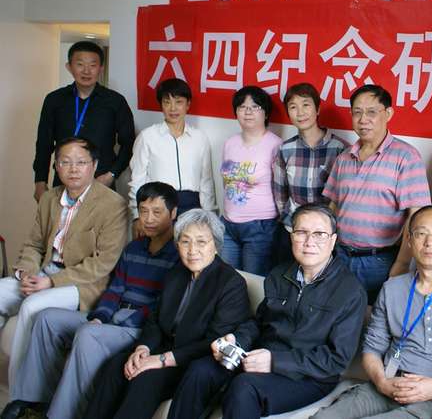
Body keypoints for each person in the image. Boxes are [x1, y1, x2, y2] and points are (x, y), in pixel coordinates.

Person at [167, 204, 367, 419]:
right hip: (259, 359)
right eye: (301, 232)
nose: (309, 242)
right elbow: (258, 323)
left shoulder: (350, 291)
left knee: (244, 387)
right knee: (200, 370)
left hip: (309, 377)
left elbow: (337, 359)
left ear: (333, 240)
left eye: (319, 234)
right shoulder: (279, 275)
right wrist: (236, 340)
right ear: (291, 236)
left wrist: (274, 361)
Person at [1, 182, 180, 419]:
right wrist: (100, 317)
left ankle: (58, 415)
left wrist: (115, 322)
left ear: (173, 213)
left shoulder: (179, 254)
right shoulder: (133, 249)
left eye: (157, 212)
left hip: (137, 327)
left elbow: (161, 306)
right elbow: (115, 289)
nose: (148, 219)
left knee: (88, 334)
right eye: (143, 211)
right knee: (46, 318)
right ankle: (33, 400)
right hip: (111, 318)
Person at [311, 205, 432, 419]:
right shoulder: (392, 288)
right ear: (409, 240)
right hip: (386, 386)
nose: (430, 242)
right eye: (421, 233)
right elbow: (372, 348)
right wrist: (382, 382)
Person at [83, 209, 251, 419]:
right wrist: (143, 348)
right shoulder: (176, 273)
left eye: (201, 242)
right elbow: (155, 318)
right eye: (185, 241)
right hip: (163, 350)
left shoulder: (231, 283)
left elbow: (214, 341)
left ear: (215, 246)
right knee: (116, 365)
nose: (192, 250)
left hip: (193, 362)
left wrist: (162, 360)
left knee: (145, 378)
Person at [0, 136, 128, 388]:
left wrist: (51, 282)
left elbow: (103, 264)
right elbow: (34, 245)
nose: (73, 169)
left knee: (32, 307)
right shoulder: (50, 199)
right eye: (65, 162)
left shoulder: (113, 205)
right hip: (43, 272)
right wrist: (27, 272)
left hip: (82, 283)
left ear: (94, 165)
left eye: (81, 162)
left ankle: (21, 395)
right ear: (56, 167)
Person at [323, 84, 431, 302]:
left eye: (372, 112)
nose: (363, 119)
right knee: (335, 317)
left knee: (371, 324)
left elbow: (416, 217)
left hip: (379, 261)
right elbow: (332, 207)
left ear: (388, 113)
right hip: (339, 256)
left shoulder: (406, 157)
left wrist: (400, 265)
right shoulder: (344, 157)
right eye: (357, 112)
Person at [33, 41, 134, 201]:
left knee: (101, 226)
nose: (86, 71)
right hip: (63, 180)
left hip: (101, 182)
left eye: (93, 65)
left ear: (101, 68)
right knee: (61, 225)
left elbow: (128, 143)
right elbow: (44, 143)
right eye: (80, 64)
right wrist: (40, 181)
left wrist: (111, 175)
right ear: (69, 67)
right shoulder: (54, 100)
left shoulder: (115, 102)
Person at [128, 78, 216, 238]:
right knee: (157, 255)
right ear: (161, 105)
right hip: (157, 206)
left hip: (192, 206)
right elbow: (137, 179)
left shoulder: (200, 138)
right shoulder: (147, 136)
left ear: (188, 104)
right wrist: (136, 215)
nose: (173, 108)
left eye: (179, 102)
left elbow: (206, 181)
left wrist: (209, 215)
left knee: (188, 257)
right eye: (167, 102)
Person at [272, 83, 348, 266]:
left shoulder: (340, 149)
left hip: (325, 236)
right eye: (293, 107)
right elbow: (280, 194)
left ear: (318, 108)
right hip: (293, 232)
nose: (300, 112)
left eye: (306, 105)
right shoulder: (285, 149)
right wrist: (291, 225)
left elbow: (342, 197)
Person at [219, 86, 282, 275]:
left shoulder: (275, 144)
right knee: (227, 280)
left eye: (255, 107)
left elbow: (281, 188)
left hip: (260, 228)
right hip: (228, 224)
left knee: (253, 283)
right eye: (242, 106)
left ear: (266, 112)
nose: (247, 112)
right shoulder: (230, 143)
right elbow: (226, 181)